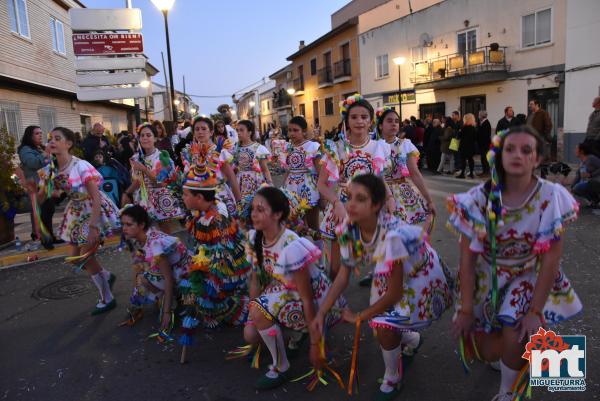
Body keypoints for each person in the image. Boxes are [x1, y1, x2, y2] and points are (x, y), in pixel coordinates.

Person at [447, 125, 582, 401]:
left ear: (538, 158)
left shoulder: (551, 196)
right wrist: (466, 307)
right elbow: (467, 258)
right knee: (488, 351)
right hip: (487, 275)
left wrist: (535, 310)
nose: (517, 155)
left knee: (517, 326)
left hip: (528, 272)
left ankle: (509, 392)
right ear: (499, 155)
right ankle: (522, 359)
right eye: (510, 149)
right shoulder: (478, 199)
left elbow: (551, 258)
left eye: (526, 149)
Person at [311, 174, 454, 401]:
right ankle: (412, 340)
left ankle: (393, 377)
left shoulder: (392, 237)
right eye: (349, 198)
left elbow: (395, 293)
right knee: (382, 324)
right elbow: (343, 276)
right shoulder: (349, 228)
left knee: (384, 324)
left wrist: (359, 316)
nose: (351, 204)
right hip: (389, 271)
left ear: (376, 205)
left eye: (361, 199)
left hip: (419, 274)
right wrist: (320, 313)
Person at [243, 186, 346, 390]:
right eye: (253, 208)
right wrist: (251, 316)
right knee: (252, 331)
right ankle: (295, 337)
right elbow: (255, 279)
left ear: (278, 214)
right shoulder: (254, 238)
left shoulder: (291, 244)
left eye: (260, 209)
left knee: (261, 313)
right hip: (283, 291)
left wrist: (316, 344)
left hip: (313, 297)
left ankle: (282, 366)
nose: (253, 214)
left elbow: (307, 296)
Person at [34, 127, 120, 314]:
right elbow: (42, 199)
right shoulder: (51, 169)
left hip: (93, 209)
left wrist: (93, 226)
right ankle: (105, 276)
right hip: (75, 211)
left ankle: (107, 298)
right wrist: (44, 187)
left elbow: (96, 196)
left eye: (57, 138)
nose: (52, 142)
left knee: (85, 256)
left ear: (69, 144)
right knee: (74, 258)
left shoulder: (80, 166)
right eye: (51, 139)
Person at [317, 94, 393, 278]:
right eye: (354, 117)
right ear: (347, 121)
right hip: (343, 208)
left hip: (371, 208)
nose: (359, 121)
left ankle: (382, 300)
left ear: (371, 121)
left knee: (384, 261)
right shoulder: (336, 148)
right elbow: (321, 184)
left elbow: (380, 179)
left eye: (364, 117)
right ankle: (334, 303)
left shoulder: (378, 147)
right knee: (337, 267)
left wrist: (389, 198)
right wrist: (336, 204)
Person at [180, 149, 250, 330]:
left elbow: (223, 260)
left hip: (225, 271)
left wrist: (199, 271)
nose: (183, 198)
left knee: (200, 288)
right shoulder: (204, 210)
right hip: (211, 262)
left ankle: (232, 306)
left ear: (199, 197)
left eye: (186, 195)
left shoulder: (216, 219)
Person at [119, 204, 190, 328]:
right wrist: (136, 306)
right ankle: (170, 297)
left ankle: (172, 300)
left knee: (145, 278)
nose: (124, 228)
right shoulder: (136, 238)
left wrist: (167, 312)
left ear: (141, 225)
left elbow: (168, 278)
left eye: (129, 224)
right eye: (123, 224)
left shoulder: (155, 244)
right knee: (141, 275)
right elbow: (137, 268)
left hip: (186, 274)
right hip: (173, 269)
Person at [122, 123, 185, 233]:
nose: (145, 138)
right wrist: (127, 193)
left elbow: (161, 183)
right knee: (145, 234)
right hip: (142, 200)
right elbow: (137, 181)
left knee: (163, 233)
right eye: (142, 135)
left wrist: (144, 169)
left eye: (148, 135)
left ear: (155, 138)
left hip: (159, 200)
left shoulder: (163, 157)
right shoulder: (135, 158)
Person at [377, 107, 436, 225]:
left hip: (402, 195)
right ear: (380, 126)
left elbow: (415, 174)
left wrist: (429, 200)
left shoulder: (405, 145)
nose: (394, 124)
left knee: (401, 237)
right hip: (379, 193)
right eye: (389, 121)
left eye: (396, 121)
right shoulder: (374, 146)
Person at [180, 116, 242, 216]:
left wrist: (240, 203)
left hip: (219, 200)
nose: (200, 132)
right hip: (198, 201)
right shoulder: (190, 154)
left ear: (211, 132)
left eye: (204, 129)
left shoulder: (220, 152)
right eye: (197, 129)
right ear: (194, 133)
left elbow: (231, 177)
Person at [17, 125, 61, 248]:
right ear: (30, 136)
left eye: (41, 133)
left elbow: (50, 162)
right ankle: (45, 239)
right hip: (36, 185)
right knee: (41, 213)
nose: (40, 135)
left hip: (46, 184)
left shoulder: (39, 148)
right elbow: (33, 163)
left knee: (49, 210)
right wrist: (46, 153)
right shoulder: (25, 150)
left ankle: (51, 236)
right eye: (37, 133)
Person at [281, 116, 321, 231]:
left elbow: (320, 172)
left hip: (309, 190)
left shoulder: (313, 147)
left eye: (295, 130)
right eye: (289, 130)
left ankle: (317, 249)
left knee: (313, 226)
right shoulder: (288, 147)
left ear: (304, 131)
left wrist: (323, 198)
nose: (292, 133)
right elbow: (288, 170)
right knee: (294, 226)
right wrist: (282, 188)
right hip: (291, 191)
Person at [233, 120, 273, 199]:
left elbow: (264, 169)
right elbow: (234, 167)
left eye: (241, 130)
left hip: (255, 181)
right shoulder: (235, 148)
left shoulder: (259, 148)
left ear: (250, 132)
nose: (238, 133)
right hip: (240, 182)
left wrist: (270, 183)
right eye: (237, 130)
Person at [527, 100, 553, 177]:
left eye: (531, 104)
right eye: (529, 104)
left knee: (543, 159)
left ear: (537, 105)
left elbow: (548, 125)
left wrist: (544, 137)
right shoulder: (530, 115)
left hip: (540, 139)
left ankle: (543, 177)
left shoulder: (543, 113)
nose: (530, 106)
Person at [572, 141, 600, 207]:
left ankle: (597, 198)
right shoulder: (582, 162)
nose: (574, 150)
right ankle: (594, 201)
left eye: (576, 149)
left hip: (596, 182)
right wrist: (571, 188)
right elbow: (578, 176)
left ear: (581, 151)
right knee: (576, 188)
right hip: (589, 183)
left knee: (578, 187)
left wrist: (591, 175)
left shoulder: (591, 158)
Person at [457, 113, 477, 178]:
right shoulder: (473, 128)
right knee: (470, 159)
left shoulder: (464, 128)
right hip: (471, 146)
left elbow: (459, 136)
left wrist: (459, 131)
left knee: (463, 160)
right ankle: (471, 173)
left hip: (463, 146)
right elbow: (475, 138)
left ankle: (462, 173)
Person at [477, 110, 492, 177]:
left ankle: (486, 172)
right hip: (482, 144)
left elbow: (485, 135)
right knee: (483, 159)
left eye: (479, 115)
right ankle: (484, 171)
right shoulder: (481, 122)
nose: (478, 116)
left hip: (485, 144)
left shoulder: (486, 123)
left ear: (482, 116)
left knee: (485, 159)